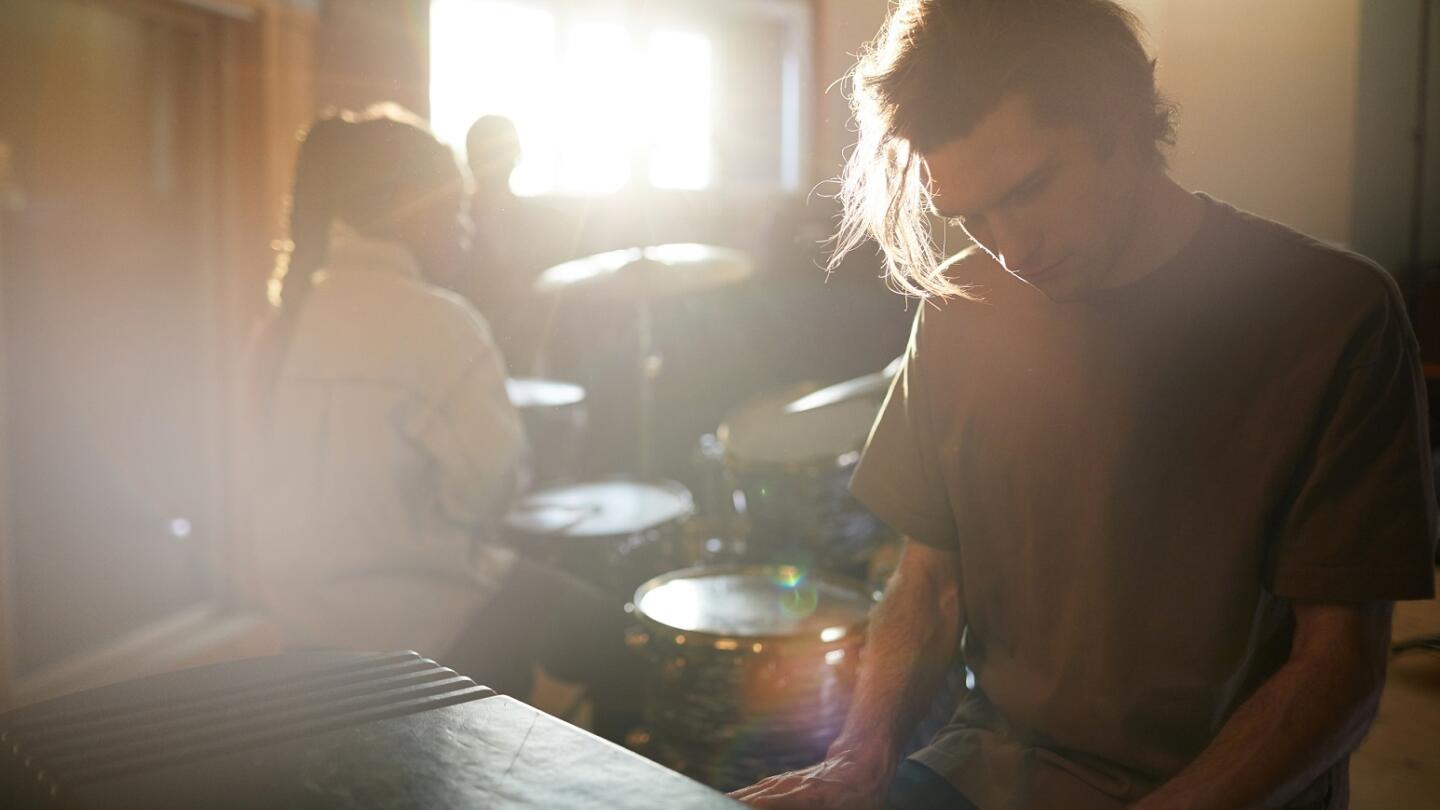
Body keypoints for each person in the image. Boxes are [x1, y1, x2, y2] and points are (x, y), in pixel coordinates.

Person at [732, 2, 1437, 809]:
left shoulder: (1334, 315)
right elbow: (928, 585)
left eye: (1029, 189)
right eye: (972, 216)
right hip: (990, 768)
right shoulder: (965, 302)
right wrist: (857, 760)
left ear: (1121, 115)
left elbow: (1337, 667)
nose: (1012, 250)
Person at [249, 105, 637, 739]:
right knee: (609, 631)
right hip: (420, 621)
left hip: (303, 620)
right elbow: (490, 492)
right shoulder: (440, 322)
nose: (468, 228)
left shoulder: (283, 319)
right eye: (456, 209)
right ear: (408, 208)